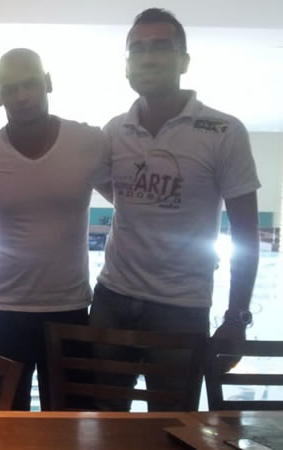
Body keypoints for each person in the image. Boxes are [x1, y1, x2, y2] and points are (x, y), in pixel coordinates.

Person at [91, 8, 261, 411]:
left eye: (160, 47)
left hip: (181, 308)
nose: (148, 58)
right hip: (113, 299)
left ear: (184, 60)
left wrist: (237, 317)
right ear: (127, 64)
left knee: (172, 427)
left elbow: (245, 235)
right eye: (137, 49)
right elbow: (111, 187)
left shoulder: (223, 131)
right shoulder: (114, 131)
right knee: (102, 422)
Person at [0, 48, 110, 411]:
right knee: (1, 427)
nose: (21, 96)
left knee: (69, 427)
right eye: (10, 88)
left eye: (30, 84)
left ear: (48, 83)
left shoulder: (89, 142)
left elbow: (133, 203)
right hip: (3, 312)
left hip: (69, 311)